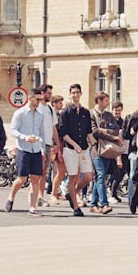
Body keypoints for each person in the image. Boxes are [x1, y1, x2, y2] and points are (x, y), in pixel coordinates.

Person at [6, 86, 45, 215]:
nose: (39, 101)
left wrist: (43, 149)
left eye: (40, 99)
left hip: (36, 150)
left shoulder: (40, 115)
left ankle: (32, 207)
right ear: (30, 98)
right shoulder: (20, 113)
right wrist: (24, 137)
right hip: (23, 149)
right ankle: (11, 197)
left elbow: (42, 133)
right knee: (22, 179)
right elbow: (12, 130)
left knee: (35, 179)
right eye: (37, 99)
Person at [58, 83, 94, 216]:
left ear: (81, 94)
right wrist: (74, 145)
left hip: (84, 148)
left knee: (88, 176)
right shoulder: (65, 112)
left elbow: (89, 131)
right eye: (73, 92)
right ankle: (75, 207)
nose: (75, 95)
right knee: (72, 177)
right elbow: (63, 133)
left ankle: (73, 191)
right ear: (70, 94)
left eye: (77, 92)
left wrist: (94, 146)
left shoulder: (85, 112)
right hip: (70, 150)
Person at [88, 91, 120, 215]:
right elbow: (94, 131)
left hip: (107, 149)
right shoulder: (91, 114)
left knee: (100, 176)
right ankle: (104, 204)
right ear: (99, 101)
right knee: (101, 174)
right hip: (95, 147)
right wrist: (109, 134)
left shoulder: (108, 115)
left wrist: (105, 131)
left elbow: (116, 130)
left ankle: (93, 204)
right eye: (106, 100)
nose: (108, 103)